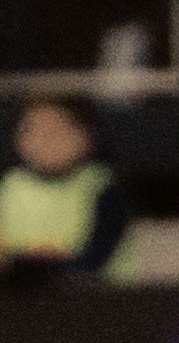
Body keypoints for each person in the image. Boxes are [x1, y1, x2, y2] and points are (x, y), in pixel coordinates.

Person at [1, 95, 129, 283]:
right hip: (20, 301)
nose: (41, 141)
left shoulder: (102, 184)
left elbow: (92, 261)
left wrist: (33, 264)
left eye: (54, 132)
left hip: (101, 301)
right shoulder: (10, 185)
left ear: (86, 137)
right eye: (30, 131)